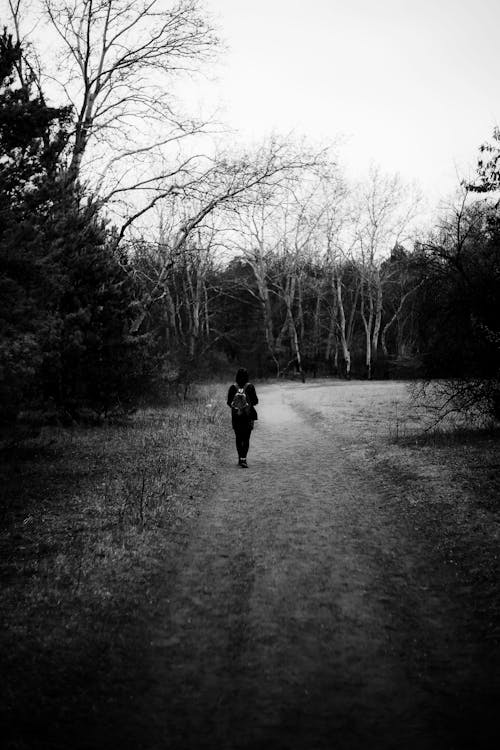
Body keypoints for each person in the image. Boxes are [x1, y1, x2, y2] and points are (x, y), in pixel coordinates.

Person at [227, 368, 258, 468]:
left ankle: (240, 458)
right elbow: (256, 401)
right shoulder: (250, 387)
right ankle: (244, 459)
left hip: (236, 417)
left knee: (238, 438)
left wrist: (237, 408)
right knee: (246, 438)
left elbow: (229, 403)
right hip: (248, 417)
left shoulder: (233, 387)